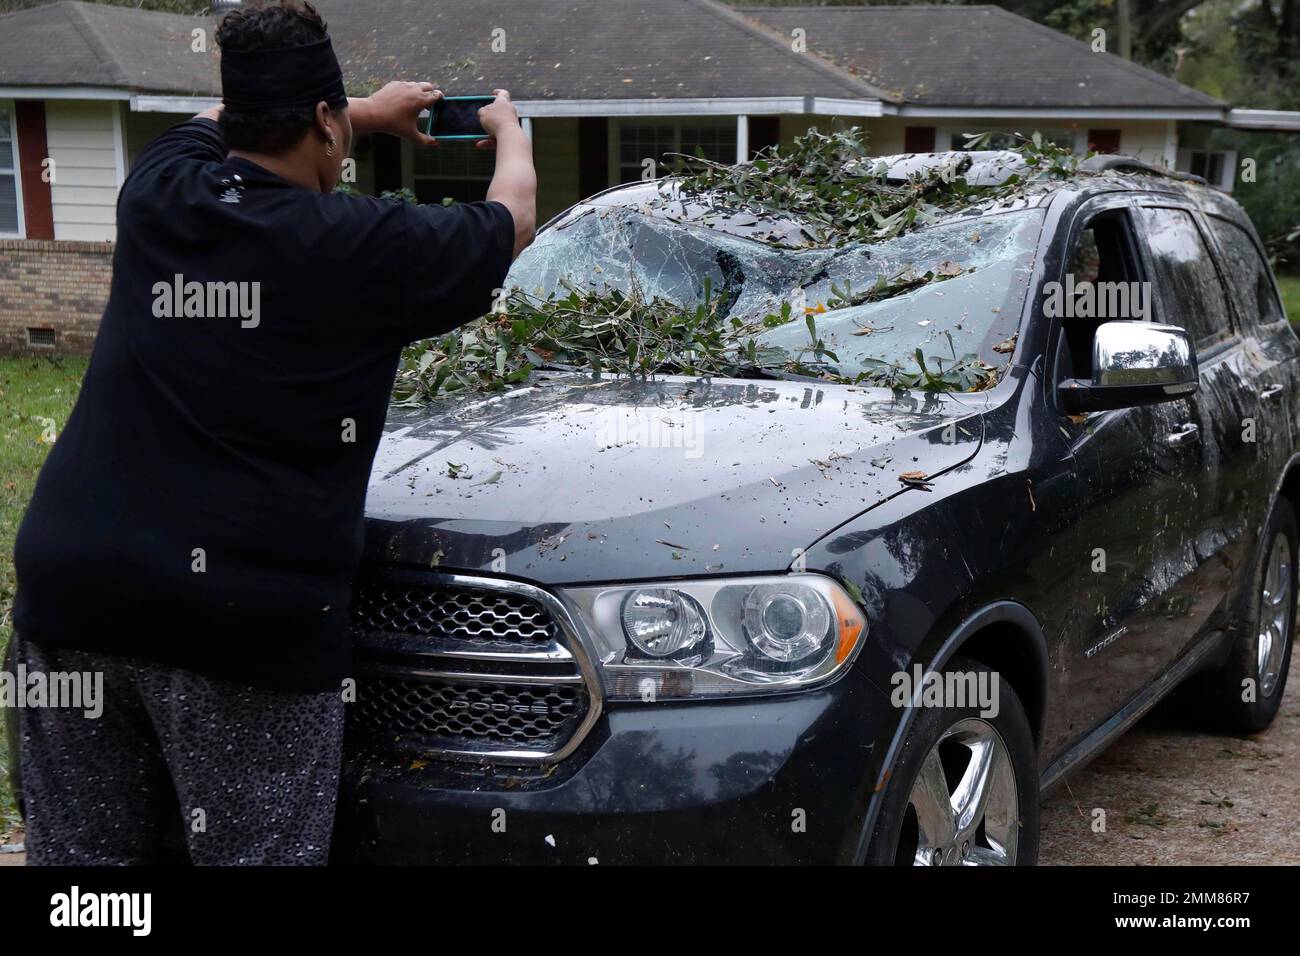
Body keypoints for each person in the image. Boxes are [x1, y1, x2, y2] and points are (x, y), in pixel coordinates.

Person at [10, 0, 536, 865]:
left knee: (86, 874)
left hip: (74, 594)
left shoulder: (160, 190)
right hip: (243, 629)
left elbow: (211, 121)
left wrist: (357, 109)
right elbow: (509, 219)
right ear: (324, 127)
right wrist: (508, 131)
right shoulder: (367, 246)